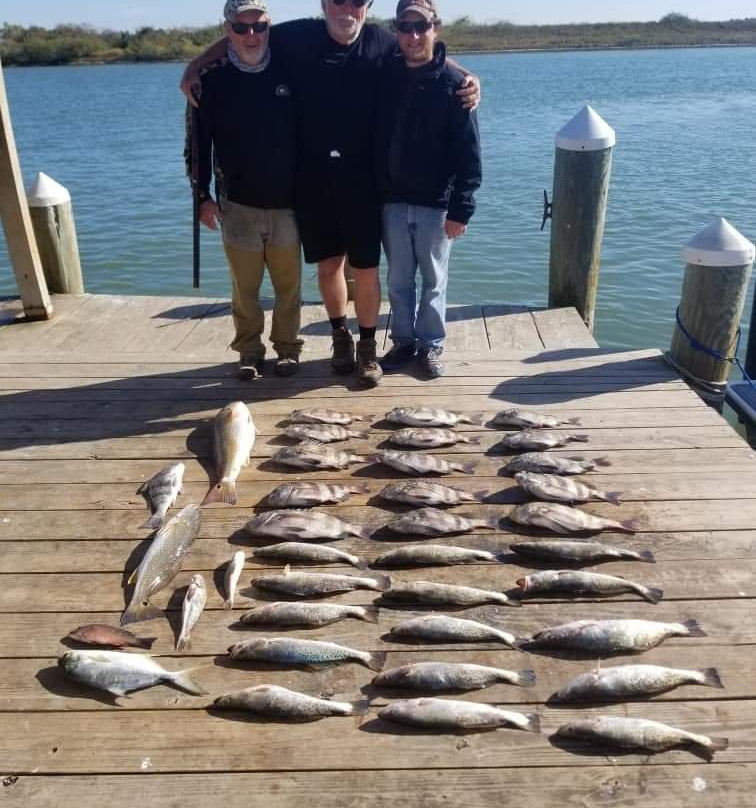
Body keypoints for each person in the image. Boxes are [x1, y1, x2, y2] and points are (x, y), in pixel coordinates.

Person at [181, 0, 480, 387]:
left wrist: (466, 76)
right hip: (313, 180)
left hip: (364, 181)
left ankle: (369, 347)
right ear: (324, 4)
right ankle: (341, 337)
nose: (347, 8)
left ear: (367, 7)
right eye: (338, 0)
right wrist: (193, 66)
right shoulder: (297, 35)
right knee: (328, 267)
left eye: (357, 1)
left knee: (368, 270)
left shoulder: (382, 40)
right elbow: (245, 34)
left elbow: (423, 48)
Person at [187, 0, 303, 380]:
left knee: (289, 287)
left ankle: (288, 348)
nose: (251, 35)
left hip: (288, 204)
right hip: (236, 205)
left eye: (259, 25)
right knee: (245, 290)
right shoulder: (211, 82)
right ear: (227, 31)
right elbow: (196, 147)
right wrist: (201, 197)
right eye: (241, 27)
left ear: (270, 26)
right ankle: (249, 351)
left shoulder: (292, 70)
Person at [378, 0, 482, 379]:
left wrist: (461, 209)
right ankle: (404, 342)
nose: (414, 36)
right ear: (397, 31)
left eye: (422, 27)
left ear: (436, 29)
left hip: (437, 206)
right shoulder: (383, 75)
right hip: (391, 203)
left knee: (435, 281)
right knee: (398, 280)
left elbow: (470, 154)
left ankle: (431, 346)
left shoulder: (457, 86)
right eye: (406, 28)